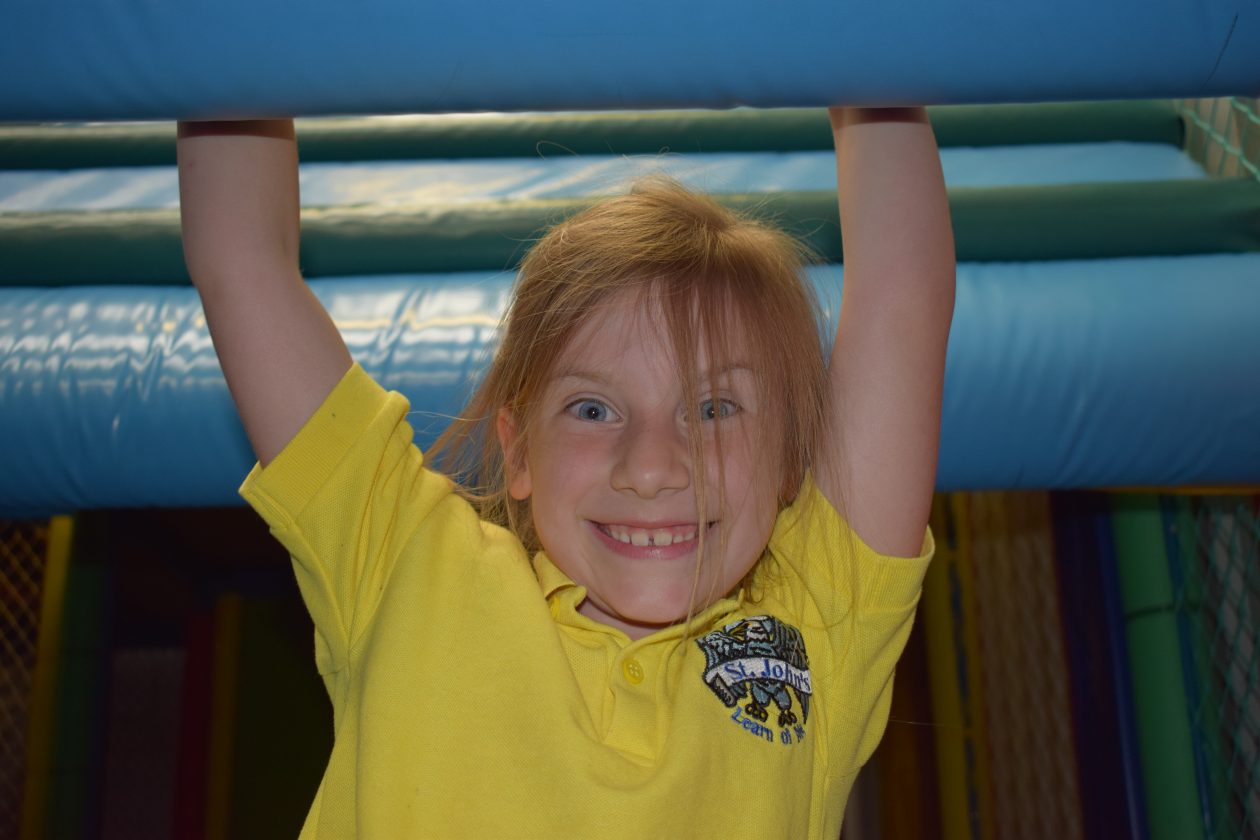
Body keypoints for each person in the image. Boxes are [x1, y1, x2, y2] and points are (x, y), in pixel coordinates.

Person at [177, 106, 954, 838]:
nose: (651, 468)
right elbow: (244, 261)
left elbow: (902, 294)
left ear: (789, 456)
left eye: (715, 408)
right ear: (518, 450)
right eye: (592, 409)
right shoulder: (406, 566)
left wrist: (863, 49)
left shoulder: (818, 622)